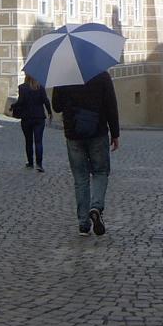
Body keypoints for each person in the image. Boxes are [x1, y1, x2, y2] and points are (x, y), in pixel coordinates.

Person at [52, 70, 120, 237]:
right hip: (98, 131)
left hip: (73, 133)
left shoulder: (63, 74)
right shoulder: (101, 74)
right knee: (100, 172)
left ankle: (83, 224)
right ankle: (96, 207)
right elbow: (111, 105)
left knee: (80, 178)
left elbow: (56, 106)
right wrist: (115, 133)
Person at [13, 74, 52, 171]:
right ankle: (39, 164)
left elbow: (20, 101)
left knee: (28, 141)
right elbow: (46, 101)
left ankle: (30, 163)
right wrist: (50, 112)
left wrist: (13, 106)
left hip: (26, 117)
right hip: (39, 117)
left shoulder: (22, 87)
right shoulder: (40, 87)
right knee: (38, 142)